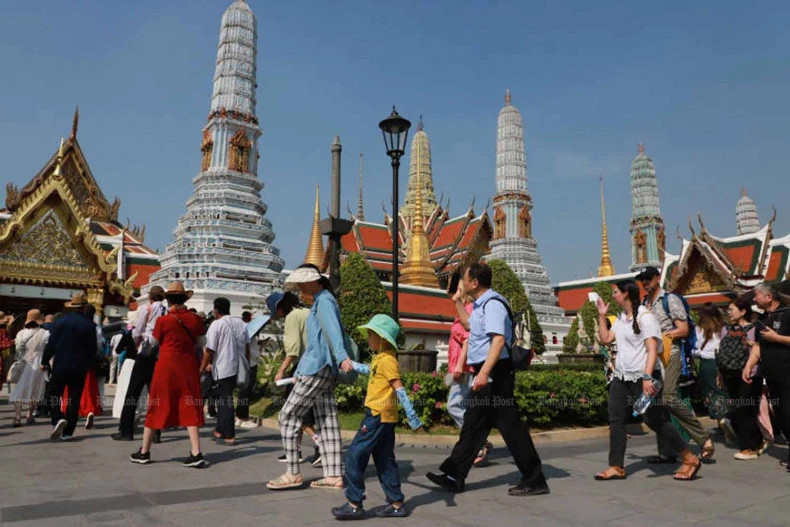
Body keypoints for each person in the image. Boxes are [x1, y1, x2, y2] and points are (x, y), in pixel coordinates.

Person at [427, 262, 549, 497]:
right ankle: (454, 475)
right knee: (473, 425)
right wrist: (457, 302)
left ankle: (535, 479)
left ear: (474, 282)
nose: (461, 282)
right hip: (487, 370)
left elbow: (498, 341)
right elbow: (469, 325)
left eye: (464, 278)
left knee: (510, 428)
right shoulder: (481, 305)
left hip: (495, 372)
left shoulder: (493, 304)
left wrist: (484, 373)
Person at [594, 280, 702, 481]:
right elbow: (606, 338)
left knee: (654, 420)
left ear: (626, 293)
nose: (613, 296)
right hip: (621, 376)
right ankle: (616, 466)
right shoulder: (621, 319)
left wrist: (647, 377)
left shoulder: (646, 317)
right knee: (616, 420)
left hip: (643, 377)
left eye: (615, 292)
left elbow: (652, 349)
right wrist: (601, 316)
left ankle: (690, 458)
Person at [267, 264, 353, 491]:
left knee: (287, 415)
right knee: (327, 420)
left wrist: (342, 356)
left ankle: (293, 472)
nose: (301, 288)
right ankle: (334, 474)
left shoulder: (323, 301)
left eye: (303, 283)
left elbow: (333, 331)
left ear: (316, 281)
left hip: (316, 367)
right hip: (324, 368)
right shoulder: (323, 300)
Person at [331, 314, 422, 520]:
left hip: (376, 415)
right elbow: (370, 370)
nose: (368, 338)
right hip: (384, 417)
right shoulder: (381, 359)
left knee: (354, 455)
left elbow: (398, 388)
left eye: (371, 334)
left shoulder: (388, 360)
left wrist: (412, 415)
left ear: (382, 338)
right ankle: (397, 503)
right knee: (385, 460)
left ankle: (354, 503)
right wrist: (352, 365)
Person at [636, 266, 714, 462]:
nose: (645, 282)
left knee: (669, 397)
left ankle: (702, 437)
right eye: (642, 279)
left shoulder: (670, 300)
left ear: (657, 278)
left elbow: (684, 329)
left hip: (671, 353)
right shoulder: (645, 304)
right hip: (652, 357)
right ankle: (667, 452)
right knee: (657, 405)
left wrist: (663, 336)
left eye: (648, 278)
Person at [130, 281, 207, 467]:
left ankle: (144, 451)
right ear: (184, 299)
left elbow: (154, 343)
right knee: (190, 404)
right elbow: (201, 341)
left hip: (166, 366)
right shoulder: (195, 319)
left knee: (156, 404)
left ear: (168, 300)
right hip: (188, 366)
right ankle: (196, 452)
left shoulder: (163, 321)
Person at [269, 291, 322, 466]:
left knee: (293, 411)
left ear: (280, 308)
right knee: (305, 412)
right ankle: (295, 450)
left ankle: (320, 444)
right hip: (319, 367)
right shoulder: (307, 312)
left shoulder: (292, 317)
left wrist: (281, 371)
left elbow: (293, 350)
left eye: (275, 312)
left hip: (303, 368)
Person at [446, 270, 492, 466]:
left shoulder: (471, 309)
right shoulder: (463, 309)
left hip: (463, 368)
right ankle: (476, 440)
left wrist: (458, 365)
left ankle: (477, 440)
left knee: (454, 405)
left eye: (457, 287)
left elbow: (468, 339)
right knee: (465, 407)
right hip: (459, 367)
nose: (453, 292)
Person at [742, 282, 790, 471]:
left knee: (788, 411)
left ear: (769, 297)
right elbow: (759, 346)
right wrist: (749, 365)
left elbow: (773, 339)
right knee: (780, 413)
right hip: (771, 374)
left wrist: (777, 338)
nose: (754, 299)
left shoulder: (787, 314)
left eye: (757, 295)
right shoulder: (763, 319)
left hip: (787, 372)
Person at [113, 285, 167, 442]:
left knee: (133, 393)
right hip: (159, 354)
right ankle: (156, 432)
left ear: (150, 297)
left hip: (145, 353)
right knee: (154, 394)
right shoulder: (166, 311)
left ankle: (126, 430)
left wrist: (137, 346)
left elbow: (137, 331)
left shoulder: (146, 309)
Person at [40, 293, 98, 441]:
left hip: (61, 364)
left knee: (53, 394)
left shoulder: (60, 322)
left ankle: (57, 417)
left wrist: (45, 360)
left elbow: (52, 343)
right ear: (84, 307)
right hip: (80, 366)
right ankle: (68, 432)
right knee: (74, 398)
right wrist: (91, 365)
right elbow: (93, 348)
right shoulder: (90, 325)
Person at [719, 297, 765, 460]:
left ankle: (749, 447)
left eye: (732, 309)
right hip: (730, 373)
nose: (729, 312)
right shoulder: (725, 330)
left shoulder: (756, 329)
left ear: (743, 311)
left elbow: (762, 351)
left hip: (751, 374)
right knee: (738, 408)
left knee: (746, 408)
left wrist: (754, 345)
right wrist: (721, 374)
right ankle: (755, 441)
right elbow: (722, 352)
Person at [201, 297, 250, 446]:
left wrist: (202, 367)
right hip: (239, 367)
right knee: (223, 399)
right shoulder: (241, 323)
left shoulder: (217, 325)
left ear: (216, 310)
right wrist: (246, 364)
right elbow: (247, 346)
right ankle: (219, 430)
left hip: (224, 367)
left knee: (225, 400)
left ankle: (229, 435)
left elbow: (209, 350)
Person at [693, 305, 735, 443]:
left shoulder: (699, 330)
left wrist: (699, 353)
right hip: (723, 364)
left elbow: (695, 350)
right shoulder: (724, 329)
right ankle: (727, 420)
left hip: (707, 365)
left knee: (712, 394)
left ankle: (721, 420)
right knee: (723, 392)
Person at [10, 310, 49, 427]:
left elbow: (18, 349)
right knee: (36, 389)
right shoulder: (45, 333)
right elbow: (49, 349)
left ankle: (17, 416)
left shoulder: (20, 333)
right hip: (38, 364)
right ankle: (29, 415)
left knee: (19, 389)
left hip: (23, 363)